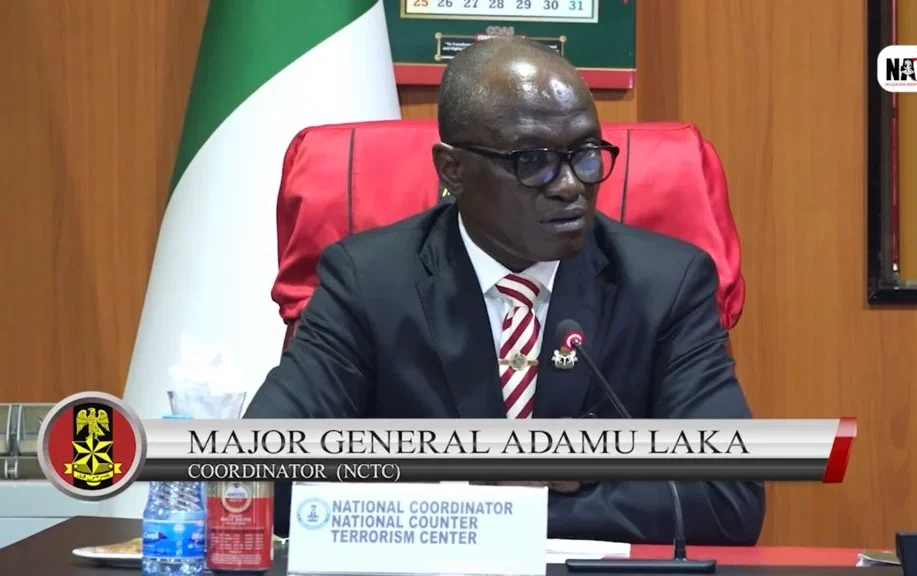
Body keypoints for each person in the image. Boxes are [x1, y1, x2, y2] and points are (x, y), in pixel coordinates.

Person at [245, 37, 764, 544]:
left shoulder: (665, 284)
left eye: (586, 154)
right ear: (452, 169)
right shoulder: (368, 281)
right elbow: (260, 471)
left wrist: (513, 507)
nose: (570, 185)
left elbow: (730, 495)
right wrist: (477, 479)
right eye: (532, 161)